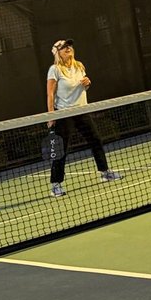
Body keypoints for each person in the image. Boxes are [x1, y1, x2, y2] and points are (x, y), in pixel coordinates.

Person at [46, 39, 122, 197]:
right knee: (61, 150)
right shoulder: (54, 70)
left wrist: (87, 83)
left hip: (82, 111)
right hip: (64, 114)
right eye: (64, 47)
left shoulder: (79, 66)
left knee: (95, 140)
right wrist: (51, 115)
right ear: (57, 53)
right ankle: (55, 185)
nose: (68, 48)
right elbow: (50, 94)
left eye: (69, 46)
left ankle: (105, 172)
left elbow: (83, 86)